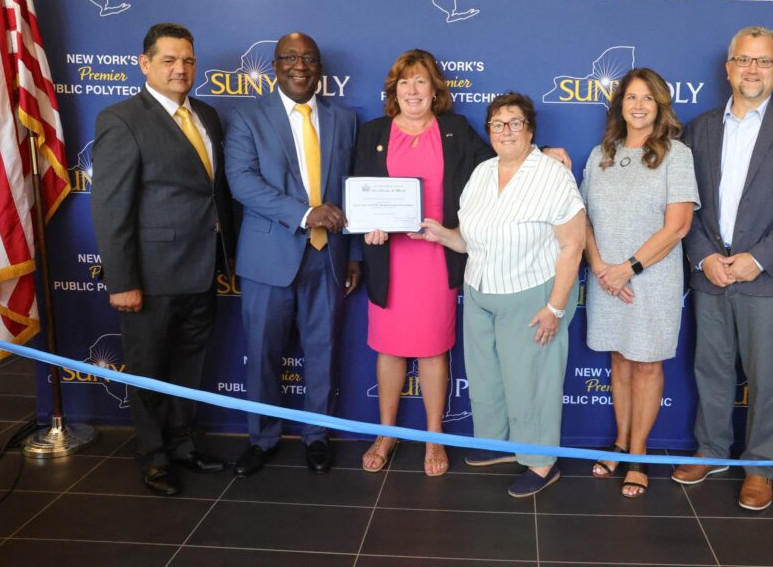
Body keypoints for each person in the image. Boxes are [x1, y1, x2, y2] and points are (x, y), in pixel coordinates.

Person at [673, 26, 773, 512]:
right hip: (711, 272)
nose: (753, 69)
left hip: (771, 276)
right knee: (710, 367)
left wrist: (757, 259)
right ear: (729, 67)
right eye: (744, 60)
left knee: (765, 377)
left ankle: (760, 466)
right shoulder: (700, 129)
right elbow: (684, 204)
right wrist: (704, 256)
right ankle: (713, 450)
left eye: (763, 61)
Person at [91, 22, 235, 496]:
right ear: (145, 64)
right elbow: (112, 206)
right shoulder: (122, 119)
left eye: (188, 60)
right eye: (170, 60)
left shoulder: (208, 116)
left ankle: (183, 445)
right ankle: (153, 457)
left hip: (203, 269)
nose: (180, 69)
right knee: (149, 369)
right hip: (150, 277)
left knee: (188, 368)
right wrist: (122, 280)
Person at [420, 93, 586, 498]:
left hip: (531, 295)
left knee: (532, 381)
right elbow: (470, 241)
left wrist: (555, 306)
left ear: (530, 130)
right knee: (488, 378)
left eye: (515, 123)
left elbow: (572, 245)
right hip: (480, 293)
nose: (506, 130)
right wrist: (440, 235)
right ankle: (502, 445)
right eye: (497, 123)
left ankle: (541, 462)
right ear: (489, 131)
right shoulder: (481, 173)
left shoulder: (552, 174)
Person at [224, 32, 361, 478]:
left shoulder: (344, 119)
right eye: (289, 57)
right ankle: (261, 438)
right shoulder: (246, 116)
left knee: (322, 350)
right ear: (275, 64)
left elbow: (351, 191)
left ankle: (316, 435)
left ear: (320, 67)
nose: (300, 66)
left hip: (329, 257)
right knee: (263, 352)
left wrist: (354, 252)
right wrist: (305, 214)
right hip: (269, 257)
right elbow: (242, 182)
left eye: (309, 58)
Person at [353, 49, 494, 476]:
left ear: (435, 90)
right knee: (389, 348)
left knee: (434, 350)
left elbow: (498, 168)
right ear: (394, 90)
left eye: (420, 82)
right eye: (404, 82)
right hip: (388, 256)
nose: (412, 90)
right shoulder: (373, 131)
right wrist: (368, 225)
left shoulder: (455, 130)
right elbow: (360, 192)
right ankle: (387, 432)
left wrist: (546, 155)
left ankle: (435, 437)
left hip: (437, 256)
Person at [581, 68, 699, 498]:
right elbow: (583, 220)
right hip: (605, 276)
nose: (638, 105)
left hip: (649, 280)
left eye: (647, 98)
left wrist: (627, 268)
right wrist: (600, 268)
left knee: (647, 364)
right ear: (620, 105)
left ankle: (638, 454)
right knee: (619, 361)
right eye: (630, 97)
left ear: (660, 104)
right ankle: (619, 441)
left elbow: (678, 226)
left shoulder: (676, 155)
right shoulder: (601, 154)